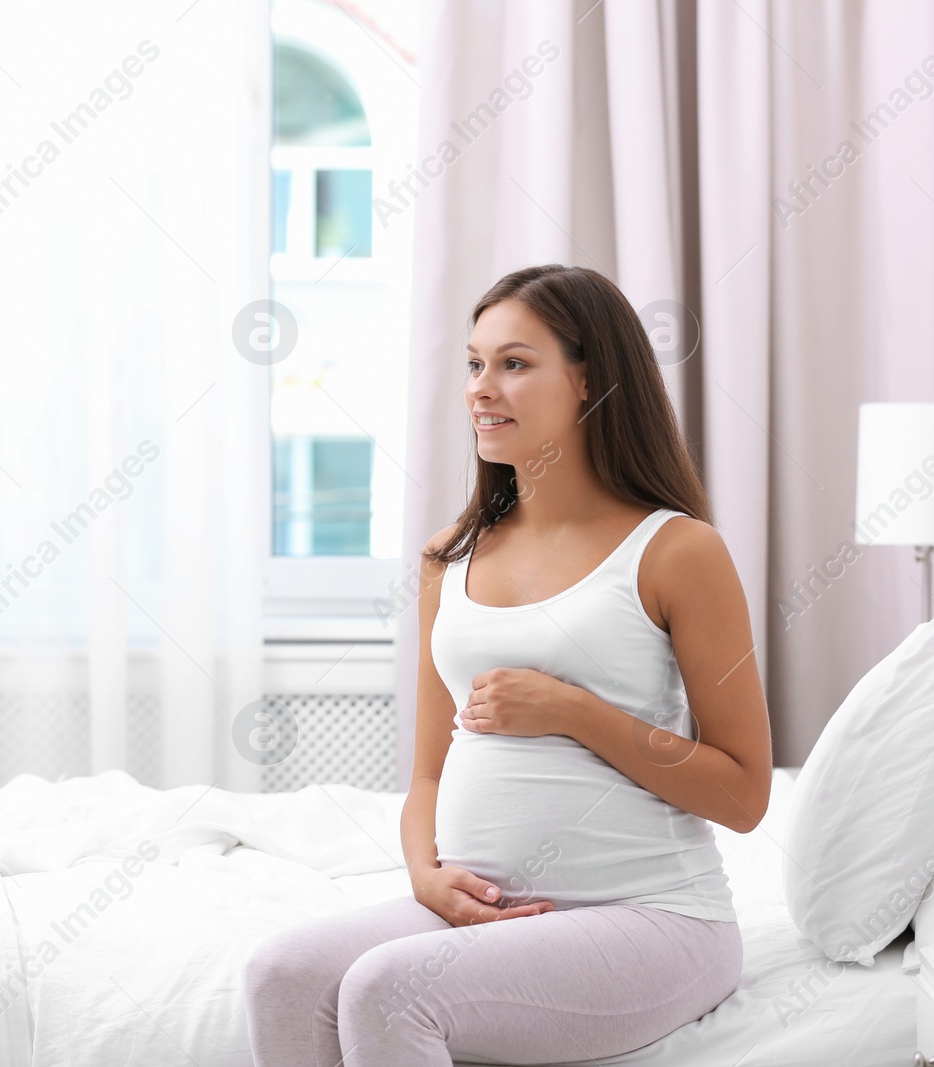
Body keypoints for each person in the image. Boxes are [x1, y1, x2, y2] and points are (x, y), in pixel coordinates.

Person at [244, 263, 772, 1066]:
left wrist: (574, 711)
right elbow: (426, 774)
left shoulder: (677, 550)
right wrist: (425, 874)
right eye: (474, 363)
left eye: (514, 363)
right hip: (481, 910)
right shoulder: (447, 557)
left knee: (390, 988)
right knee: (279, 973)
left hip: (654, 914)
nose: (481, 388)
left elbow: (744, 792)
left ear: (591, 380)